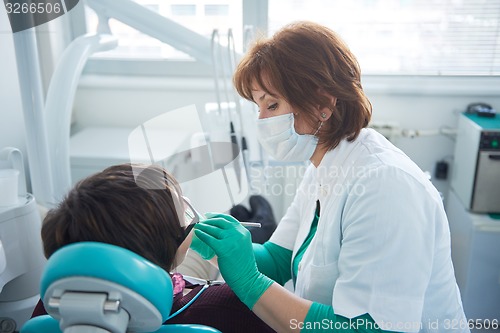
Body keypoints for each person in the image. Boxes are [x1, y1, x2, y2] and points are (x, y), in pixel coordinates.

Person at [190, 21, 469, 332]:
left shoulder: (385, 186)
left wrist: (249, 282)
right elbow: (279, 260)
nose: (262, 120)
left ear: (322, 103)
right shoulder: (323, 167)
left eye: (272, 104)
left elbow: (368, 328)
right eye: (259, 107)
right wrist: (209, 243)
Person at [31, 163, 276, 333]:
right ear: (169, 243)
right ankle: (262, 232)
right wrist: (251, 280)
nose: (192, 220)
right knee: (201, 259)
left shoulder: (53, 305)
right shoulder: (226, 306)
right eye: (184, 212)